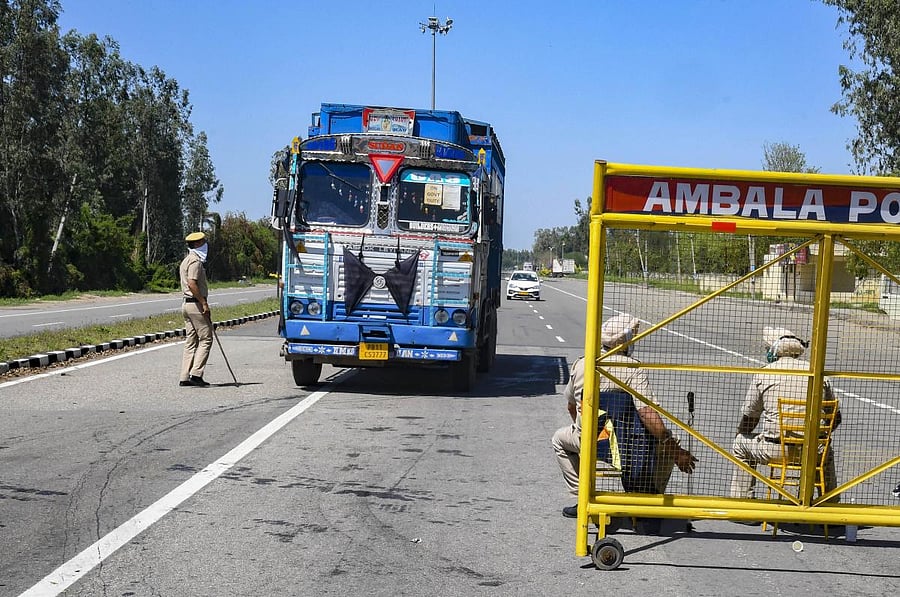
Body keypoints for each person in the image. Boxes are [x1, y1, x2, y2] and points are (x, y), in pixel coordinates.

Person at [551, 313, 697, 518]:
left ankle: (582, 497)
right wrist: (674, 449)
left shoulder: (582, 364)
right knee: (673, 439)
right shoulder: (632, 369)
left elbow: (571, 407)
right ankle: (650, 496)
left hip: (589, 440)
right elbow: (646, 414)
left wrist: (586, 430)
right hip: (628, 445)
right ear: (626, 341)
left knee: (559, 439)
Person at [730, 326, 841, 500]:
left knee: (739, 445)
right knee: (827, 451)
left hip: (776, 449)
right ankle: (829, 503)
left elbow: (750, 419)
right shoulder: (817, 373)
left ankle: (742, 500)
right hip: (813, 451)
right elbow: (835, 417)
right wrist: (820, 436)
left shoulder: (765, 374)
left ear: (773, 350)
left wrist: (740, 433)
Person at [179, 231, 213, 387]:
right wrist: (203, 303)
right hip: (195, 305)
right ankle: (196, 374)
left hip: (186, 304)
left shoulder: (186, 260)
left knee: (191, 340)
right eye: (203, 242)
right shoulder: (195, 261)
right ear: (197, 244)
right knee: (206, 338)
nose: (205, 244)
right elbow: (192, 283)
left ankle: (184, 376)